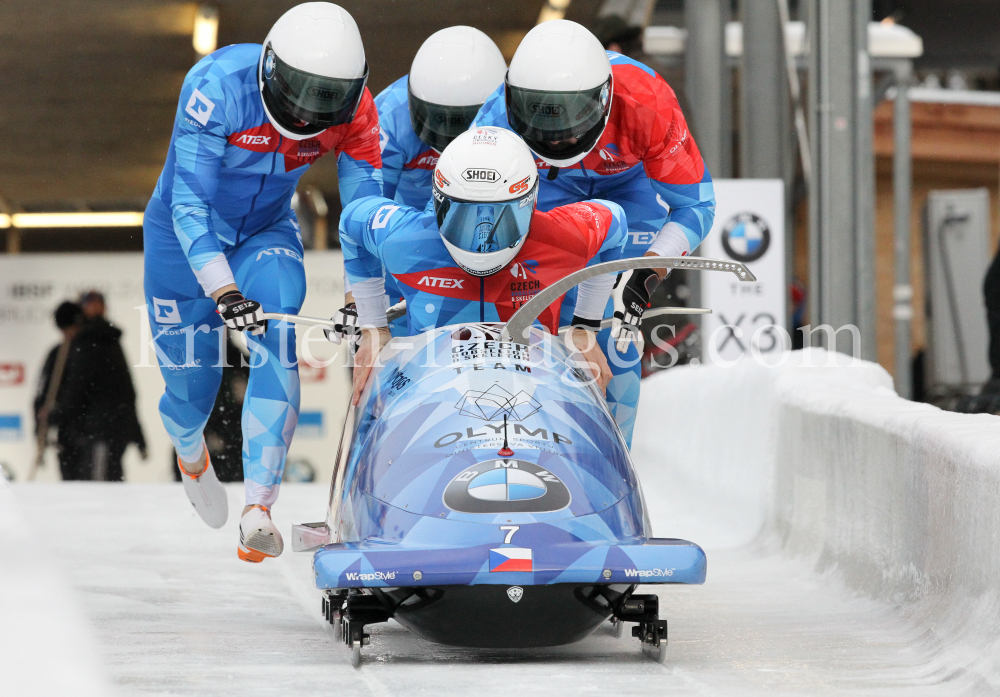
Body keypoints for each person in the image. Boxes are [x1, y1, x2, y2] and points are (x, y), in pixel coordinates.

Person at [142, 2, 382, 562]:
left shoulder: (359, 113)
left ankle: (258, 509)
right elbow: (190, 204)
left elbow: (364, 212)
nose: (305, 114)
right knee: (192, 391)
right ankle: (187, 445)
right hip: (183, 240)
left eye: (327, 101)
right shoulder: (216, 84)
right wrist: (223, 291)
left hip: (265, 231)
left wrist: (360, 299)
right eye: (297, 91)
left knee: (277, 335)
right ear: (270, 69)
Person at [472, 20, 716, 446]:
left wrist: (644, 277)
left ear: (604, 99)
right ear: (513, 100)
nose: (559, 135)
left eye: (573, 117)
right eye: (541, 117)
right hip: (547, 192)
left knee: (617, 332)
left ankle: (613, 455)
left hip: (630, 191)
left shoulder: (647, 99)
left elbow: (696, 206)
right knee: (534, 316)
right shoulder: (492, 121)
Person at [341, 126, 628, 409]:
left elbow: (616, 223)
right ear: (439, 202)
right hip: (432, 396)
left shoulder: (561, 237)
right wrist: (373, 328)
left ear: (529, 203)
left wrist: (585, 328)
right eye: (464, 216)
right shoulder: (406, 239)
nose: (482, 238)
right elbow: (350, 224)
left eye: (501, 217)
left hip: (531, 397)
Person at [327, 26, 507, 346]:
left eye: (463, 122)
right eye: (437, 119)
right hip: (406, 247)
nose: (449, 138)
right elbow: (362, 217)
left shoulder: (512, 117)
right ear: (414, 104)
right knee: (385, 344)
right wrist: (358, 302)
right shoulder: (388, 119)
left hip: (486, 242)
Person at [44, 302, 147, 481]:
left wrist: (53, 416)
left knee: (99, 492)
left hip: (100, 432)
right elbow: (127, 392)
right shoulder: (105, 342)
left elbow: (77, 391)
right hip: (104, 432)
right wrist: (138, 436)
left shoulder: (89, 344)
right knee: (102, 488)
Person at [34, 302, 84, 480]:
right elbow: (42, 397)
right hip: (67, 437)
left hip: (87, 435)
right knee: (72, 487)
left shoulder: (90, 352)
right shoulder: (57, 354)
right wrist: (39, 432)